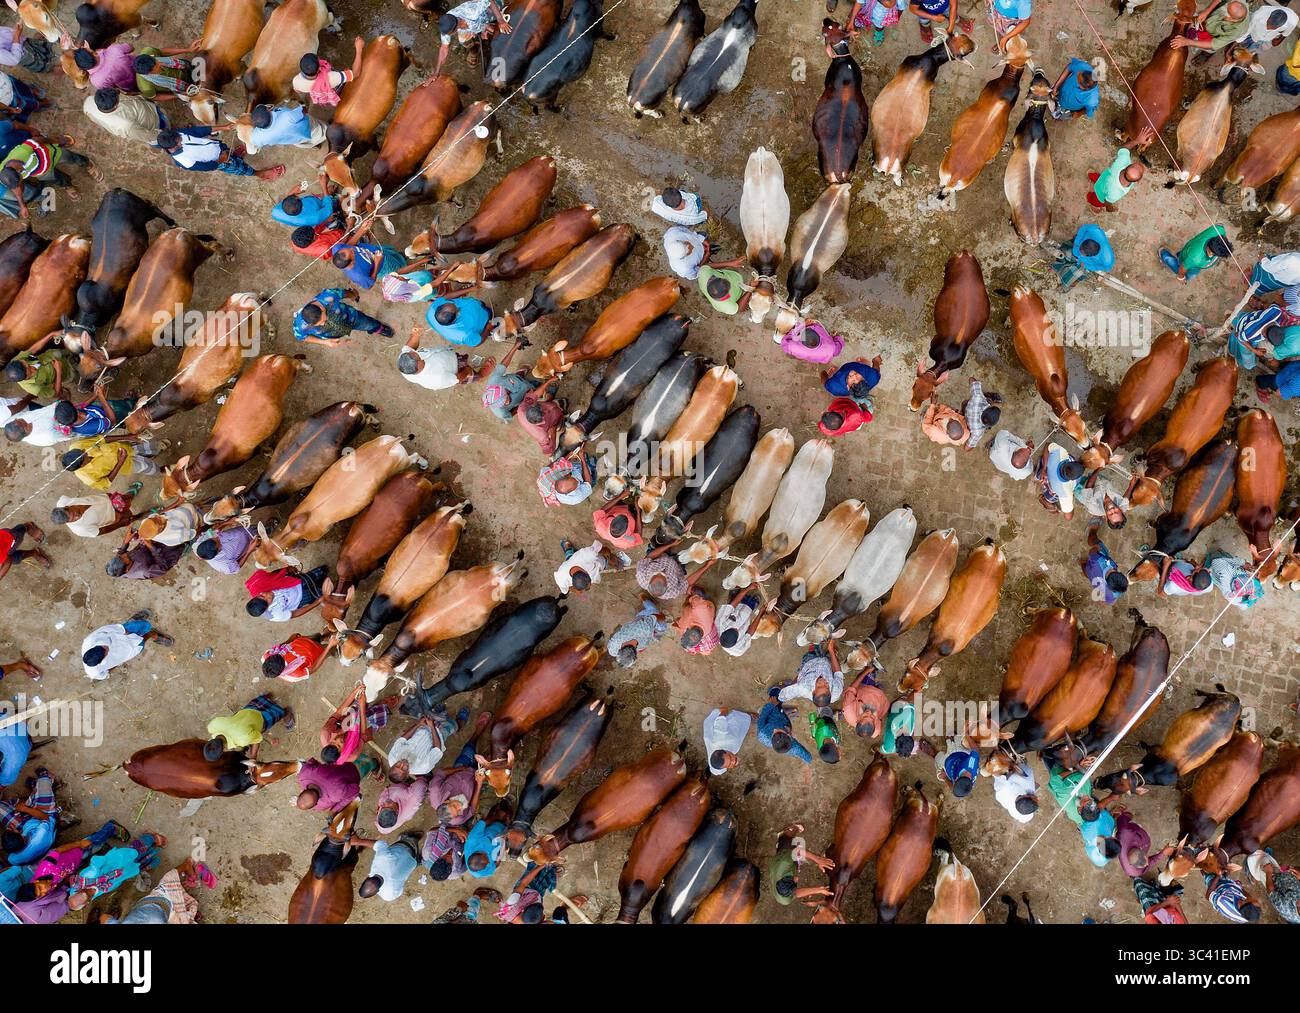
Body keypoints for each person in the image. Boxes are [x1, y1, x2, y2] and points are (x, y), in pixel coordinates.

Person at [156, 125, 284, 181]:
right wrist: (222, 159)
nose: (181, 137)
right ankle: (260, 174)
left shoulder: (178, 134)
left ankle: (234, 155)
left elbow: (198, 131)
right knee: (241, 169)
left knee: (229, 152)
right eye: (179, 140)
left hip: (217, 147)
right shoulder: (185, 161)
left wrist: (225, 127)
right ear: (174, 145)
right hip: (221, 161)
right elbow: (208, 167)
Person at [398, 326, 494, 390]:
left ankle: (462, 361)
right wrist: (467, 371)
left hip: (448, 356)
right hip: (456, 371)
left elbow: (410, 346)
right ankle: (481, 376)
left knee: (460, 358)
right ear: (418, 366)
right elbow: (457, 379)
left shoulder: (404, 359)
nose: (415, 351)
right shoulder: (435, 379)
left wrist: (415, 336)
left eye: (413, 352)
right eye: (416, 355)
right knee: (471, 376)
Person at [204, 695, 295, 761]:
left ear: (224, 748)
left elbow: (258, 739)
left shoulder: (241, 740)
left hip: (260, 719)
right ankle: (265, 699)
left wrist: (253, 756)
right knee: (257, 704)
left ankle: (285, 713)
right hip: (247, 711)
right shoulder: (213, 726)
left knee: (276, 714)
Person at [81, 613, 171, 680]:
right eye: (105, 650)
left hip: (120, 633)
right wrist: (117, 663)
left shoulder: (89, 640)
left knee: (140, 626)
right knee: (141, 643)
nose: (104, 646)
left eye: (100, 646)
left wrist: (126, 632)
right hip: (126, 650)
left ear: (92, 648)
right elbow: (105, 673)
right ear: (102, 660)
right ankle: (151, 634)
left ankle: (134, 622)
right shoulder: (94, 672)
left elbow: (108, 629)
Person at [293, 286, 393, 345]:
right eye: (320, 323)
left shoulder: (329, 296)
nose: (324, 323)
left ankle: (378, 328)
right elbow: (302, 337)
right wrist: (325, 342)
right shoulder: (299, 326)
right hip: (335, 333)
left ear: (322, 308)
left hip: (352, 318)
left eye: (323, 319)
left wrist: (353, 295)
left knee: (369, 324)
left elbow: (344, 293)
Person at [0, 767, 58, 865]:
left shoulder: (13, 859)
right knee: (44, 779)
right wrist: (25, 809)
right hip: (45, 817)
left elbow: (7, 860)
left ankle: (31, 794)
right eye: (13, 831)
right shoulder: (40, 835)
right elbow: (45, 817)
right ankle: (42, 783)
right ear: (22, 836)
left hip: (27, 824)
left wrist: (13, 833)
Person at [436, 1, 511, 73]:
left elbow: (490, 1)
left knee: (501, 33)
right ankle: (474, 50)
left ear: (456, 27)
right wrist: (436, 72)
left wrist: (500, 20)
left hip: (487, 12)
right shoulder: (447, 23)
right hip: (475, 24)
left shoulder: (470, 12)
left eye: (450, 33)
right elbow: (444, 48)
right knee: (463, 40)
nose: (448, 35)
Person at [83, 87, 169, 146]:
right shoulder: (125, 125)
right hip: (154, 124)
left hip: (149, 108)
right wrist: (165, 135)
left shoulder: (89, 101)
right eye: (118, 97)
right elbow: (149, 136)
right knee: (167, 127)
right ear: (115, 105)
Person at [245, 565, 330, 621]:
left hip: (295, 582)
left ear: (255, 596)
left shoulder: (256, 586)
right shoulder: (274, 615)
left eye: (262, 595)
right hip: (301, 598)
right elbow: (295, 613)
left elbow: (272, 575)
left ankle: (322, 577)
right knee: (326, 592)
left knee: (322, 570)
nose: (268, 595)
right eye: (267, 600)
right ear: (267, 608)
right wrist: (317, 602)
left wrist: (286, 569)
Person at [293, 40, 364, 106]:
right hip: (333, 88)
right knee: (346, 81)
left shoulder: (296, 81)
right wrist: (359, 49)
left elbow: (298, 91)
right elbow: (356, 73)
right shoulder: (332, 77)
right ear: (319, 69)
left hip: (320, 98)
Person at [482, 339, 539, 420]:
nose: (507, 403)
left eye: (505, 399)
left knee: (521, 379)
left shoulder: (494, 380)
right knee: (538, 394)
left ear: (503, 390)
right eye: (504, 404)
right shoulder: (501, 413)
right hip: (524, 395)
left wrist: (514, 348)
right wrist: (523, 404)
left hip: (518, 381)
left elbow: (503, 365)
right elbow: (510, 414)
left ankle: (521, 374)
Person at [239, 103, 327, 155]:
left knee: (303, 143)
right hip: (309, 129)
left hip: (294, 140)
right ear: (269, 111)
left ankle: (315, 146)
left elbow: (251, 151)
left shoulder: (258, 137)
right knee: (323, 130)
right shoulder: (287, 116)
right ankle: (328, 133)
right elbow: (303, 111)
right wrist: (302, 106)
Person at [1172, 1, 1252, 58]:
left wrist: (1187, 42)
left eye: (1225, 11)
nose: (1224, 8)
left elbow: (1214, 44)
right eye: (1226, 5)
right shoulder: (1236, 3)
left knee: (1209, 48)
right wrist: (1207, 11)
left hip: (1212, 36)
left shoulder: (1237, 31)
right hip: (1209, 18)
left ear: (1232, 19)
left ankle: (1206, 54)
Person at [607, 595, 669, 667]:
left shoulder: (644, 629)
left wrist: (663, 617)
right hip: (638, 625)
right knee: (656, 630)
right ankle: (644, 599)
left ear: (635, 655)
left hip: (643, 619)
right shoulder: (612, 649)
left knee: (659, 620)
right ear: (620, 650)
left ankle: (644, 598)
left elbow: (655, 617)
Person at [359, 832, 423, 901]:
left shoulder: (389, 896)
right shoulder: (380, 860)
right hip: (405, 846)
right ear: (366, 878)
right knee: (394, 848)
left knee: (407, 867)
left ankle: (419, 860)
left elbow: (400, 891)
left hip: (412, 862)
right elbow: (380, 844)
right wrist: (357, 841)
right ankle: (409, 839)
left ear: (378, 891)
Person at [780, 641, 846, 707]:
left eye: (819, 686)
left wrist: (781, 696)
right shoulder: (836, 691)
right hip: (827, 663)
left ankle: (813, 648)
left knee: (812, 650)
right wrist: (831, 651)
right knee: (829, 654)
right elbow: (838, 672)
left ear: (813, 692)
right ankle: (825, 651)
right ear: (830, 693)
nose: (823, 682)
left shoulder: (803, 687)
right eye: (827, 687)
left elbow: (784, 695)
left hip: (810, 661)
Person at [757, 687, 814, 762]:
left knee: (775, 693)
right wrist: (808, 763)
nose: (775, 730)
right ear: (790, 736)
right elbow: (808, 757)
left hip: (773, 713)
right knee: (790, 710)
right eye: (778, 732)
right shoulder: (793, 746)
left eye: (774, 733)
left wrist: (771, 705)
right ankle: (786, 710)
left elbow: (763, 716)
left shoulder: (762, 733)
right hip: (784, 721)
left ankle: (776, 702)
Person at [1159, 224, 1231, 282]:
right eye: (1214, 254)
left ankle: (1178, 255)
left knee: (1187, 262)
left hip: (1193, 257)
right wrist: (1181, 278)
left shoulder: (1219, 230)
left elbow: (1220, 225)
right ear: (1209, 248)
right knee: (1176, 265)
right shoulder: (1195, 258)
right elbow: (1182, 269)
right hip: (1192, 260)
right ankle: (1163, 254)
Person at [1247, 849, 1300, 924]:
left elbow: (1270, 891)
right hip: (1287, 877)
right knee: (1269, 862)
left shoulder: (1285, 907)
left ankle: (1251, 872)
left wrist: (1268, 872)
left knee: (1258, 866)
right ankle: (1266, 857)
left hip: (1273, 880)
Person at [1054, 223, 1115, 288]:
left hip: (1086, 263)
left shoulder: (1108, 260)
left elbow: (1105, 268)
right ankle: (1059, 266)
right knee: (1066, 251)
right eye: (1081, 247)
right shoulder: (1094, 230)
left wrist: (1087, 266)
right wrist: (1077, 243)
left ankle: (1069, 281)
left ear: (1089, 256)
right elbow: (1084, 228)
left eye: (1082, 252)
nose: (1079, 252)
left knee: (1078, 273)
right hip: (1081, 251)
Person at [332, 240, 409, 291]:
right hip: (383, 266)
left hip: (377, 252)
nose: (352, 249)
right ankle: (406, 264)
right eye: (352, 253)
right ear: (351, 263)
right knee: (398, 267)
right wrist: (377, 263)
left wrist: (362, 230)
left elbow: (349, 244)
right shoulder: (359, 276)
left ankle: (401, 256)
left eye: (349, 249)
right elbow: (369, 286)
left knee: (394, 255)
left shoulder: (337, 249)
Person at [1081, 521, 1129, 603]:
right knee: (1087, 572)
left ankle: (1092, 532)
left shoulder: (1099, 560)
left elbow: (1092, 552)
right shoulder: (1113, 595)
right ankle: (1082, 563)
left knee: (1095, 543)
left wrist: (1097, 548)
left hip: (1092, 566)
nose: (1115, 569)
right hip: (1091, 576)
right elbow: (1107, 601)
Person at [517, 377, 566, 456]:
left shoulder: (522, 408)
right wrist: (553, 432)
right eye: (543, 413)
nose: (546, 410)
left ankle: (549, 398)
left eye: (542, 408)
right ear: (538, 421)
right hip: (554, 422)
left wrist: (548, 381)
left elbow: (535, 394)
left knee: (551, 404)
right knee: (562, 422)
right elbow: (549, 453)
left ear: (531, 406)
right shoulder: (542, 436)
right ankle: (560, 422)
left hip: (551, 410)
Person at [554, 538, 622, 594]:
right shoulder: (560, 577)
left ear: (586, 572)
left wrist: (610, 556)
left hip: (595, 562)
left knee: (570, 557)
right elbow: (565, 590)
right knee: (569, 558)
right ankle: (568, 547)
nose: (591, 585)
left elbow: (603, 549)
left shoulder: (588, 555)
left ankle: (567, 546)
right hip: (570, 562)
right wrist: (575, 591)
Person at [296, 756, 361, 814]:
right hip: (339, 758)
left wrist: (336, 809)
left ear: (316, 804)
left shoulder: (334, 796)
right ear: (302, 791)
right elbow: (312, 761)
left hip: (354, 772)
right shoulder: (303, 775)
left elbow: (355, 789)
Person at [839, 666, 889, 739]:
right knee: (879, 688)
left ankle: (872, 676)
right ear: (874, 723)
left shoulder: (848, 708)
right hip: (880, 698)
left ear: (858, 720)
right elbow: (880, 718)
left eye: (865, 716)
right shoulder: (876, 730)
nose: (869, 712)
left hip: (865, 688)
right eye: (872, 717)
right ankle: (878, 687)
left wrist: (866, 671)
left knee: (870, 675)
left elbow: (852, 688)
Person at [1035, 442, 1084, 517]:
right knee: (1050, 497)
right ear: (1071, 479)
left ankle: (1040, 471)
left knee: (1040, 475)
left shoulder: (1061, 452)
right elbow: (1068, 517)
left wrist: (1044, 469)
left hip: (1048, 469)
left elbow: (1047, 445)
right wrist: (1069, 504)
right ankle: (1044, 500)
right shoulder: (1064, 492)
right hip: (1054, 484)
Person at [422, 295, 493, 348]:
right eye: (457, 308)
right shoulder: (464, 335)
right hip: (483, 319)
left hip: (477, 307)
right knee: (488, 312)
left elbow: (446, 298)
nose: (456, 304)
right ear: (455, 318)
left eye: (452, 302)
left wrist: (470, 289)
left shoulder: (432, 310)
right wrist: (488, 329)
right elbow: (477, 343)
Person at [464, 800, 511, 877]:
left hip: (493, 826)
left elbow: (483, 823)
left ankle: (498, 812)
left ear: (480, 853)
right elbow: (496, 864)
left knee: (504, 812)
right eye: (488, 862)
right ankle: (506, 823)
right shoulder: (483, 871)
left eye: (487, 859)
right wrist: (503, 850)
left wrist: (496, 816)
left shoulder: (473, 840)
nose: (489, 863)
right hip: (501, 839)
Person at [1089, 147, 1143, 212]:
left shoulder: (1123, 161)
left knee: (1097, 178)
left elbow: (1124, 149)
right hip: (1100, 194)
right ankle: (1092, 202)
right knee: (1093, 199)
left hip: (1104, 178)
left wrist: (1137, 141)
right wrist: (1110, 209)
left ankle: (1090, 174)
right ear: (1137, 181)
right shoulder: (1115, 193)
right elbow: (1107, 201)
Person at [261, 632, 330, 682]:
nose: (281, 654)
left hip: (302, 641)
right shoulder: (294, 676)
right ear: (283, 667)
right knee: (333, 648)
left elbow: (280, 646)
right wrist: (329, 646)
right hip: (318, 652)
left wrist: (290, 640)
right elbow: (314, 668)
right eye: (282, 657)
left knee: (318, 636)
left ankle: (324, 637)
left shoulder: (266, 656)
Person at [715, 584, 761, 657]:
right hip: (746, 614)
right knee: (751, 604)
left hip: (736, 607)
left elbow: (732, 606)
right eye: (737, 631)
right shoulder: (739, 649)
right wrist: (760, 614)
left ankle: (734, 596)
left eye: (733, 628)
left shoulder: (719, 623)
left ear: (724, 631)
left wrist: (748, 589)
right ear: (736, 641)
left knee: (735, 598)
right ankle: (752, 604)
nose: (737, 628)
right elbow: (750, 632)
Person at [704, 706, 752, 775]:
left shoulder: (719, 735)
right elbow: (716, 770)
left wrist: (724, 711)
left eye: (730, 757)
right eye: (729, 765)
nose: (733, 761)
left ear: (725, 750)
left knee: (739, 721)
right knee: (740, 733)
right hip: (733, 739)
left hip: (728, 730)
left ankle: (745, 715)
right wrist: (732, 763)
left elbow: (722, 714)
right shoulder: (717, 769)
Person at [992, 758, 1038, 823]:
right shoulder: (1028, 816)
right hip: (1016, 774)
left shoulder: (1003, 791)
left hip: (1001, 776)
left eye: (1019, 797)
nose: (1019, 796)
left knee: (984, 772)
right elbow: (1024, 820)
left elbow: (998, 775)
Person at [907, 0, 974, 44]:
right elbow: (913, 9)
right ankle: (925, 27)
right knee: (924, 21)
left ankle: (957, 20)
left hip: (946, 7)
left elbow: (953, 5)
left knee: (951, 14)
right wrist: (934, 17)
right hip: (925, 11)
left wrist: (950, 28)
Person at [962, 379, 1001, 449]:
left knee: (965, 403)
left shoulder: (978, 397)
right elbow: (966, 448)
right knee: (989, 399)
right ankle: (991, 397)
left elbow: (971, 379)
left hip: (965, 410)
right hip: (969, 425)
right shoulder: (978, 432)